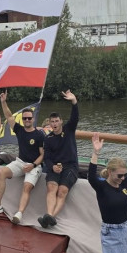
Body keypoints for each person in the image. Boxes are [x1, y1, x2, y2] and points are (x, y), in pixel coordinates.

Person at [0, 90, 44, 224]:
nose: (27, 120)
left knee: (27, 186)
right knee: (1, 172)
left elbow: (42, 155)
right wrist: (3, 102)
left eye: (29, 118)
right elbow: (9, 116)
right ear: (22, 120)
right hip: (20, 162)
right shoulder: (19, 130)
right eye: (25, 118)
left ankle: (19, 213)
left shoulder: (39, 135)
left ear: (33, 119)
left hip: (34, 165)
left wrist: (33, 165)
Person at [39, 90, 78, 229]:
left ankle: (50, 217)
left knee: (62, 191)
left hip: (70, 166)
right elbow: (47, 158)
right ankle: (49, 216)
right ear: (49, 123)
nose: (54, 124)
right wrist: (52, 167)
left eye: (57, 121)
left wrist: (74, 102)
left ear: (61, 121)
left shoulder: (68, 130)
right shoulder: (48, 138)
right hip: (55, 166)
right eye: (52, 121)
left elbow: (75, 117)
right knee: (51, 187)